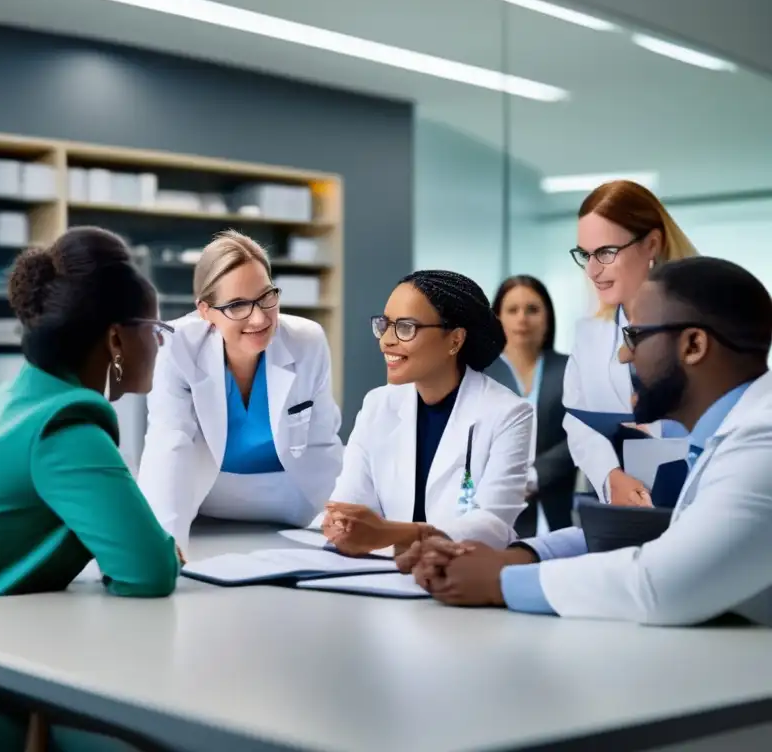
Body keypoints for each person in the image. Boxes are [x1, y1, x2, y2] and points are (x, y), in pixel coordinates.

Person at [0, 227, 182, 751]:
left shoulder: (11, 400)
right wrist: (150, 549)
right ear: (115, 339)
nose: (158, 342)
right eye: (153, 328)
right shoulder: (65, 425)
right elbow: (148, 570)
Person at [400, 257, 772, 626]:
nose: (624, 355)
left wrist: (499, 581)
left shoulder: (762, 441)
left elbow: (665, 583)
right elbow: (655, 537)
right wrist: (517, 555)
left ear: (693, 345)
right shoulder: (715, 436)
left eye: (635, 336)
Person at [137, 230, 343, 549]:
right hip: (207, 509)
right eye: (237, 305)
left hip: (293, 509)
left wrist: (343, 519)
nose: (259, 318)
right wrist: (164, 544)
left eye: (266, 297)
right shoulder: (177, 346)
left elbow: (323, 444)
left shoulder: (307, 340)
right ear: (205, 311)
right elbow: (169, 444)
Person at [322, 270, 534, 556]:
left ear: (455, 340)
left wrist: (391, 533)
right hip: (377, 574)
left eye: (406, 327)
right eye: (385, 324)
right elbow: (348, 505)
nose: (386, 340)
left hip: (459, 575)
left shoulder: (508, 413)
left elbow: (493, 524)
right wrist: (342, 526)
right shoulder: (378, 405)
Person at [563, 180, 698, 507]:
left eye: (606, 253)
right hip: (628, 502)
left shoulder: (705, 324)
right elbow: (577, 423)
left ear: (651, 244)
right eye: (585, 255)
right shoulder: (589, 336)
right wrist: (610, 476)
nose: (593, 271)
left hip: (703, 493)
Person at [484, 275, 576, 537]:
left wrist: (536, 475)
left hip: (556, 505)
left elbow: (584, 433)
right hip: (494, 510)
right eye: (512, 310)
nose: (522, 318)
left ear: (548, 318)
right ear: (497, 318)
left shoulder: (572, 369)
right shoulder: (479, 374)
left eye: (532, 310)